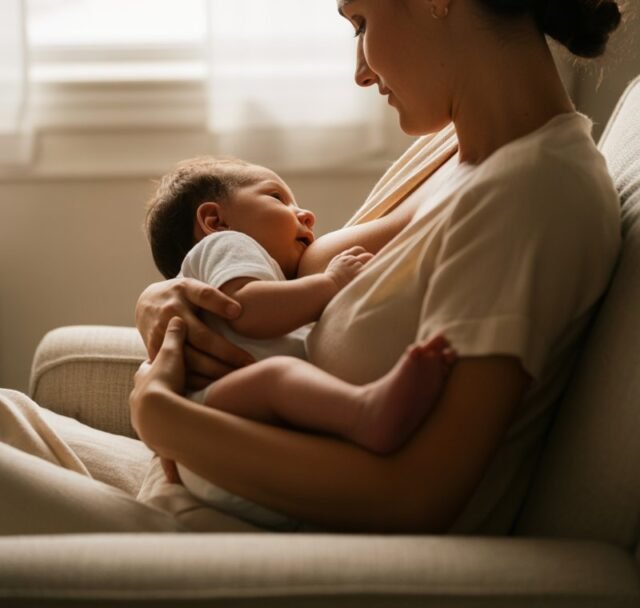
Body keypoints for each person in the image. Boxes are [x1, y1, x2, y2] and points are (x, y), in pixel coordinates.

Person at [0, 0, 623, 536]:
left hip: (254, 536)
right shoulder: (455, 150)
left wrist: (161, 418)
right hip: (207, 479)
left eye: (359, 23)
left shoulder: (531, 199)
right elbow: (295, 269)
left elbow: (416, 494)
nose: (359, 71)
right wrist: (168, 297)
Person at [143, 155, 456, 527]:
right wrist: (331, 283)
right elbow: (243, 311)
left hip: (232, 451)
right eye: (278, 198)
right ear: (214, 220)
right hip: (212, 417)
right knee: (277, 376)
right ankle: (364, 412)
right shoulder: (228, 244)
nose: (306, 215)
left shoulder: (272, 277)